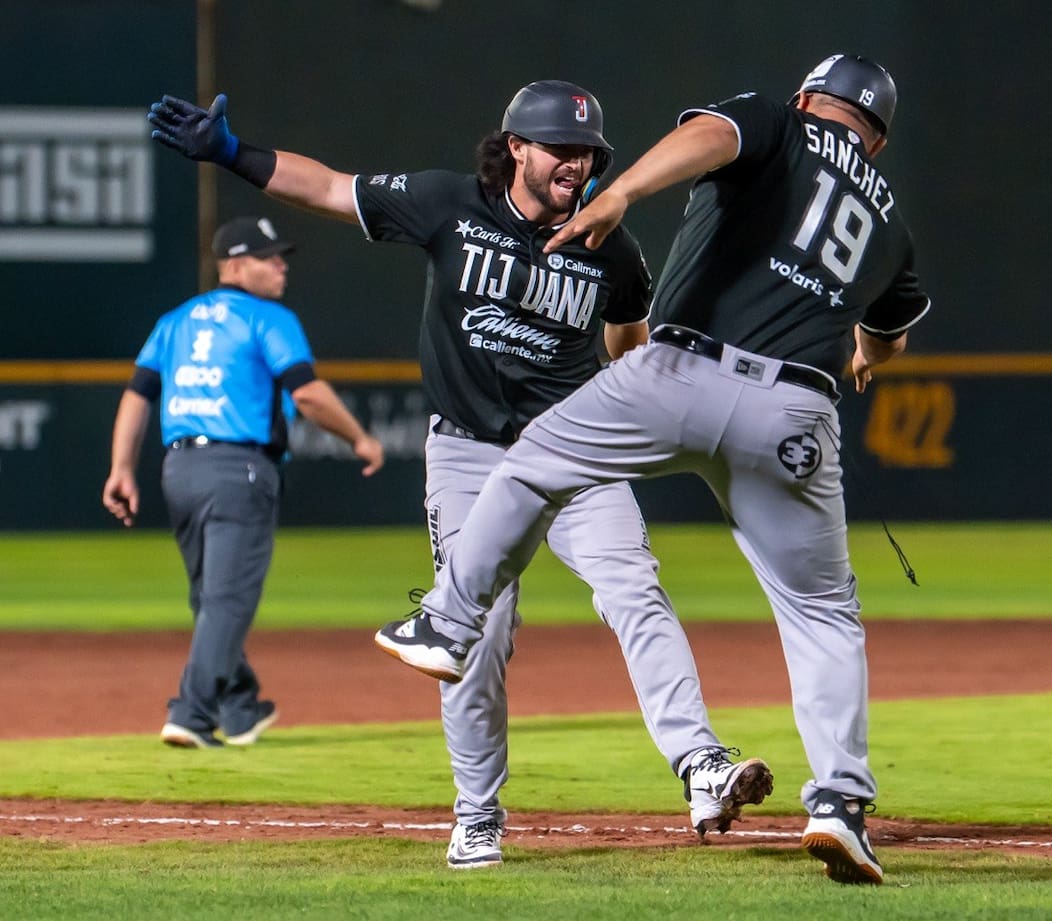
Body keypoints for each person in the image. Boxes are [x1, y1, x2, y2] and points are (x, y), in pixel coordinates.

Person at [146, 81, 773, 867]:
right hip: (472, 454)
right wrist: (232, 155)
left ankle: (701, 764)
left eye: (588, 153)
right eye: (560, 149)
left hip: (575, 448)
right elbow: (335, 190)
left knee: (635, 590)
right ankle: (477, 811)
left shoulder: (609, 244)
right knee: (477, 633)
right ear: (516, 148)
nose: (576, 165)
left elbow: (628, 340)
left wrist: (646, 407)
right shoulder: (448, 204)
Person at [370, 54, 932, 885]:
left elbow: (708, 137)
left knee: (527, 463)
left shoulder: (779, 123)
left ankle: (450, 621)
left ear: (810, 98)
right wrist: (861, 349)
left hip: (683, 373)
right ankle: (841, 805)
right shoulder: (888, 220)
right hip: (798, 412)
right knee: (822, 612)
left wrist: (626, 190)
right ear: (877, 141)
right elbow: (891, 334)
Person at [102, 216, 385, 749]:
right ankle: (191, 713)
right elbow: (307, 394)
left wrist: (120, 467)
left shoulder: (177, 320)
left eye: (281, 256)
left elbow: (138, 393)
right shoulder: (268, 318)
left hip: (179, 469)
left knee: (210, 596)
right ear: (234, 265)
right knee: (228, 601)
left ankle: (239, 706)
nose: (281, 267)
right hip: (240, 469)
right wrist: (360, 439)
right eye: (268, 257)